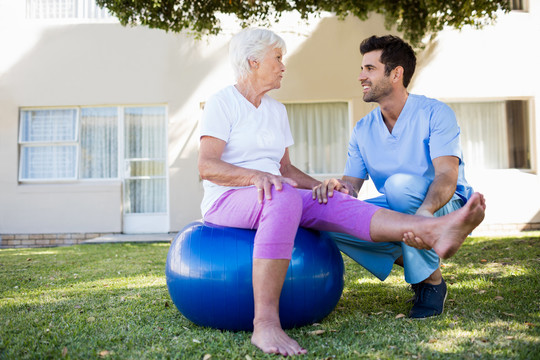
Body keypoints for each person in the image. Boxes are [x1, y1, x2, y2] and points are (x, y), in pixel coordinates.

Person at [198, 28, 485, 356]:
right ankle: (265, 325)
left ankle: (432, 229)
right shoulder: (223, 102)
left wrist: (322, 186)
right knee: (287, 197)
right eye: (277, 58)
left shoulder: (276, 111)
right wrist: (255, 176)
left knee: (334, 201)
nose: (283, 65)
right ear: (253, 61)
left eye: (282, 59)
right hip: (229, 198)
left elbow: (287, 171)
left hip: (278, 193)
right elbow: (207, 166)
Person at [313, 35, 475, 319]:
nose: (361, 76)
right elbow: (351, 186)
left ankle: (431, 284)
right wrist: (339, 189)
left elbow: (448, 175)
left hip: (444, 205)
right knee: (329, 216)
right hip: (399, 207)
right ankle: (429, 273)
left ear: (396, 73)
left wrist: (424, 213)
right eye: (362, 68)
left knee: (399, 187)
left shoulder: (435, 113)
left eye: (370, 68)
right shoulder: (363, 129)